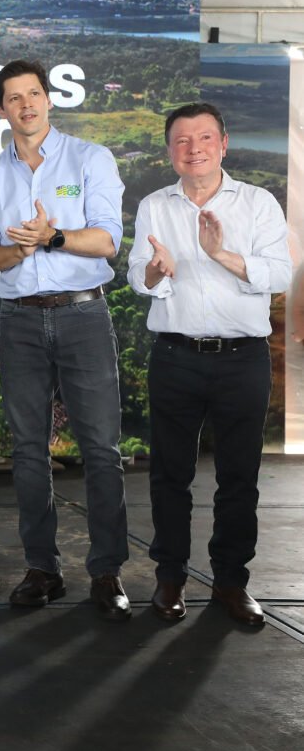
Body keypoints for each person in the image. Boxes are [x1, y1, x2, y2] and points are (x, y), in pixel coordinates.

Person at [0, 59, 132, 621]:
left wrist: (52, 236)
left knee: (101, 449)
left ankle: (107, 571)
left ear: (49, 99)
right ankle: (43, 569)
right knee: (27, 450)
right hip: (18, 319)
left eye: (33, 94)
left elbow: (108, 240)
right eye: (14, 98)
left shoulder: (90, 158)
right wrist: (16, 251)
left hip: (83, 315)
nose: (26, 105)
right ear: (2, 109)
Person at [127, 103, 291, 627]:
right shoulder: (155, 205)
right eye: (181, 140)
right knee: (169, 475)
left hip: (243, 360)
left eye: (203, 138)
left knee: (239, 476)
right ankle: (170, 577)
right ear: (169, 150)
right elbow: (138, 276)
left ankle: (231, 582)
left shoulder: (258, 202)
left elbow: (280, 274)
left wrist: (220, 254)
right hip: (175, 356)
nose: (193, 148)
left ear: (224, 143)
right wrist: (156, 271)